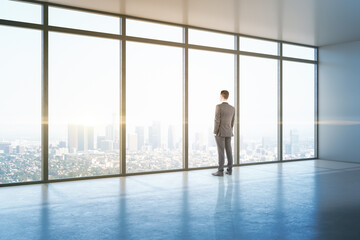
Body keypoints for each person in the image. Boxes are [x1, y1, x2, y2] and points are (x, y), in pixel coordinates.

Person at [212, 90, 235, 176]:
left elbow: (217, 120)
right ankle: (229, 170)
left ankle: (220, 171)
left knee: (221, 151)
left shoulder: (218, 107)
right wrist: (229, 129)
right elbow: (232, 122)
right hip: (229, 132)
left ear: (221, 96)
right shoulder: (232, 108)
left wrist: (215, 131)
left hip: (220, 132)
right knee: (229, 151)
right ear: (227, 96)